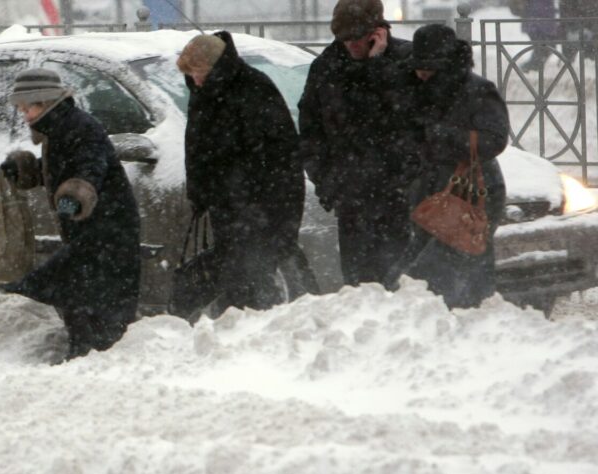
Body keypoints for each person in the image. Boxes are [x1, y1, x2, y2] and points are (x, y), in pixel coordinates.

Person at [0, 69, 141, 361]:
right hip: (90, 231)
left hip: (109, 230)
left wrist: (74, 198)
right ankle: (84, 359)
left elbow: (90, 168)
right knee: (80, 298)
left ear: (47, 102)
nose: (25, 115)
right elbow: (59, 169)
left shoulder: (81, 128)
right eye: (21, 109)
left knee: (93, 299)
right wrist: (26, 170)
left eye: (29, 107)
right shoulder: (58, 129)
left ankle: (101, 363)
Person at [176, 31, 305, 313]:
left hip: (257, 208)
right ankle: (239, 326)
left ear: (215, 66)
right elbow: (198, 147)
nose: (195, 80)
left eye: (199, 72)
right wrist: (200, 192)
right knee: (235, 279)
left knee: (252, 281)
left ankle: (254, 331)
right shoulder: (205, 92)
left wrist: (257, 203)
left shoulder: (253, 89)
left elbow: (278, 158)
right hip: (228, 207)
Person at [298, 0, 418, 288]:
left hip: (400, 195)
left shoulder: (406, 60)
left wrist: (376, 66)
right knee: (359, 285)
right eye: (344, 38)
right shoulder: (326, 67)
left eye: (357, 37)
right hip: (351, 195)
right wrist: (327, 183)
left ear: (378, 32)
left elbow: (408, 116)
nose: (351, 44)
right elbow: (311, 131)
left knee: (403, 284)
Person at [391, 24, 510, 308]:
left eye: (427, 67)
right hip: (432, 191)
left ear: (444, 65)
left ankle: (462, 320)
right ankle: (460, 319)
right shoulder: (417, 89)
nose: (420, 73)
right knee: (438, 267)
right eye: (418, 66)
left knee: (441, 271)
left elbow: (495, 139)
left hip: (473, 191)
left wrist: (443, 134)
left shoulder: (477, 90)